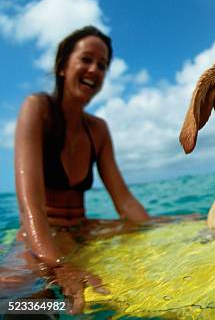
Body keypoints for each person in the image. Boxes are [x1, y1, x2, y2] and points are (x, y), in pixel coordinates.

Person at [5, 26, 150, 312]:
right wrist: (57, 266)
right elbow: (30, 209)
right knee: (25, 304)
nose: (94, 70)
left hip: (85, 233)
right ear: (62, 66)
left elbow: (125, 201)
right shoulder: (38, 109)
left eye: (102, 65)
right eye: (86, 60)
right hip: (41, 237)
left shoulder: (98, 130)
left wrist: (165, 229)